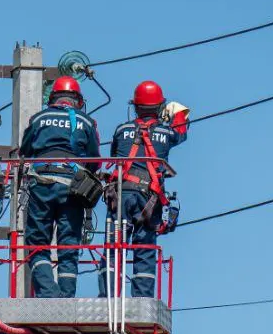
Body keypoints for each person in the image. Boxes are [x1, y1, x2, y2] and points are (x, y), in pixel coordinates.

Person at [98, 80, 190, 299]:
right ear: (159, 108)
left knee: (113, 247)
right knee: (145, 249)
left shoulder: (122, 129)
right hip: (148, 199)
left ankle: (108, 298)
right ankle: (142, 298)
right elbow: (182, 131)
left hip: (120, 194)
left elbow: (115, 153)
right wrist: (176, 114)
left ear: (135, 106)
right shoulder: (167, 133)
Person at [18, 76, 101, 298]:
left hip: (42, 184)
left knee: (37, 244)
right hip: (72, 188)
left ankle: (48, 294)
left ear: (52, 98)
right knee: (69, 245)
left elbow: (24, 151)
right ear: (77, 100)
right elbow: (95, 161)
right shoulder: (86, 122)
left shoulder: (39, 118)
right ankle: (65, 298)